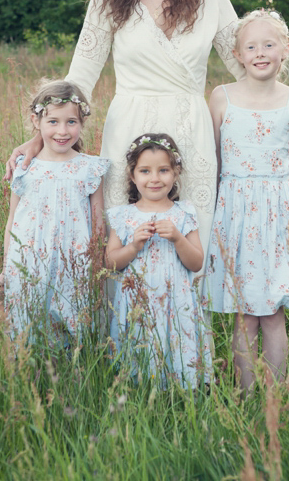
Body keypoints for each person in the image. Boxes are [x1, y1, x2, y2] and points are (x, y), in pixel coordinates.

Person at [6, 0, 289, 267]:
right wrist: (38, 139)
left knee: (189, 238)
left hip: (191, 132)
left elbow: (249, 69)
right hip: (129, 127)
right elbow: (80, 77)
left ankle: (186, 326)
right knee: (128, 238)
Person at [205, 9, 289, 390]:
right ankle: (247, 394)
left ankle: (276, 393)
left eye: (269, 44)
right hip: (234, 208)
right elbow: (211, 159)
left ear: (285, 49)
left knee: (274, 310)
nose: (260, 52)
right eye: (251, 46)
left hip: (279, 209)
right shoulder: (221, 97)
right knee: (244, 312)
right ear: (238, 54)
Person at [1, 79, 111, 348]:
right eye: (53, 122)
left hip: (73, 260)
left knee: (73, 322)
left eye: (71, 122)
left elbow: (98, 223)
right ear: (36, 121)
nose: (62, 131)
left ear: (82, 122)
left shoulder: (90, 168)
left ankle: (73, 378)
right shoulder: (25, 167)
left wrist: (96, 263)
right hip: (29, 259)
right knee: (27, 322)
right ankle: (30, 377)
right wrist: (6, 266)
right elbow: (12, 221)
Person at [104, 133, 209, 387]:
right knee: (139, 351)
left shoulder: (183, 213)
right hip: (136, 303)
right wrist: (134, 245)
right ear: (133, 176)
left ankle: (181, 395)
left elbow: (196, 263)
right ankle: (139, 396)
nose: (154, 179)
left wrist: (177, 239)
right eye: (145, 171)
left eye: (163, 170)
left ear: (175, 173)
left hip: (176, 302)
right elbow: (110, 263)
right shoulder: (123, 216)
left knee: (176, 349)